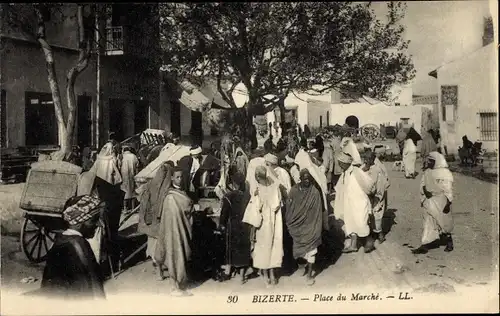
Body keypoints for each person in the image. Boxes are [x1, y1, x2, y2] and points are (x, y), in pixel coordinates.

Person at [38, 195, 105, 300]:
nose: (99, 225)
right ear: (79, 223)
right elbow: (94, 281)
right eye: (94, 220)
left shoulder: (58, 241)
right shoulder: (79, 244)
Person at [154, 167, 195, 296]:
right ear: (172, 178)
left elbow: (187, 210)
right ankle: (174, 286)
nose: (180, 179)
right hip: (172, 232)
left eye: (181, 177)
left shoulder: (181, 193)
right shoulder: (170, 198)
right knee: (173, 255)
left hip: (181, 230)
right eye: (177, 177)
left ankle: (179, 284)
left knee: (181, 255)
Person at [243, 165, 283, 287]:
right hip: (275, 223)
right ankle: (272, 275)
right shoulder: (275, 188)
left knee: (263, 249)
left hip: (263, 225)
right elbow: (278, 204)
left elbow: (254, 212)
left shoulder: (258, 191)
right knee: (273, 248)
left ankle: (266, 276)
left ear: (256, 177)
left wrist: (253, 229)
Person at [285, 169, 325, 285]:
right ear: (300, 179)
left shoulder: (314, 192)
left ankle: (309, 275)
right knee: (298, 250)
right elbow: (289, 207)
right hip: (298, 226)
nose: (307, 181)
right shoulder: (294, 191)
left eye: (309, 179)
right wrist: (290, 220)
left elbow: (318, 211)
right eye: (304, 179)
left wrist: (316, 227)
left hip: (311, 226)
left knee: (312, 251)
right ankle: (302, 266)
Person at [138, 161, 174, 280]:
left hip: (151, 223)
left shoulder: (149, 185)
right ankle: (164, 269)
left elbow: (142, 203)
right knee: (164, 246)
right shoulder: (168, 189)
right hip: (162, 223)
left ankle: (158, 269)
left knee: (154, 246)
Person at [412, 152, 454, 254]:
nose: (429, 162)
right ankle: (425, 244)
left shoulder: (444, 173)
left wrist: (448, 203)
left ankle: (449, 242)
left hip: (440, 200)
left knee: (443, 222)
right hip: (429, 200)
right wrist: (425, 191)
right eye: (428, 160)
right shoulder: (427, 172)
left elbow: (448, 189)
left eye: (431, 161)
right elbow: (423, 184)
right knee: (428, 222)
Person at [334, 152, 376, 253]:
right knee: (350, 223)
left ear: (346, 163)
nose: (339, 165)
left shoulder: (356, 171)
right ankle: (353, 245)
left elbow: (369, 184)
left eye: (340, 163)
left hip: (359, 202)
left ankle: (369, 243)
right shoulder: (344, 173)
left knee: (362, 223)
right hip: (349, 204)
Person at [219, 172, 252, 284]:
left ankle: (228, 271)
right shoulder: (248, 196)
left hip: (232, 226)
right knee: (243, 250)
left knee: (231, 249)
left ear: (233, 184)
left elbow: (224, 213)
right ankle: (241, 277)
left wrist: (221, 224)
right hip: (245, 225)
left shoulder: (229, 196)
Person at [362, 150, 390, 243]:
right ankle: (371, 233)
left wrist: (377, 195)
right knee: (369, 215)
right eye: (365, 158)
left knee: (377, 215)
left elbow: (381, 184)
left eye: (368, 159)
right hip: (368, 195)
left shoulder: (378, 169)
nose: (366, 160)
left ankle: (380, 234)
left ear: (373, 159)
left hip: (376, 196)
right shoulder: (365, 168)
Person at [121, 145, 140, 211]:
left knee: (124, 192)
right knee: (132, 192)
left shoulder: (122, 156)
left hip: (123, 176)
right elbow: (137, 165)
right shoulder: (133, 156)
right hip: (132, 175)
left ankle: (125, 208)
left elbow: (118, 165)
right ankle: (133, 208)